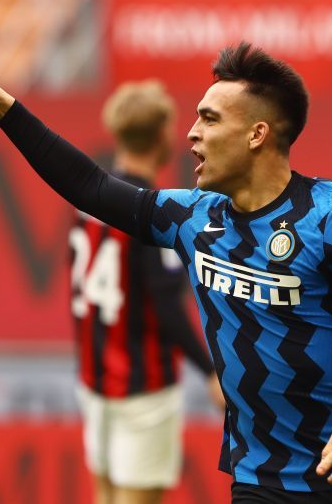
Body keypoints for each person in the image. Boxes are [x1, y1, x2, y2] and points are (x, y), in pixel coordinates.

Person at [0, 39, 332, 503]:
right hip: (262, 478)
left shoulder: (329, 214)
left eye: (210, 119)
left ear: (257, 134)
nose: (192, 133)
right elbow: (90, 186)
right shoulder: (193, 217)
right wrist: (7, 112)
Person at [71, 79, 223, 504]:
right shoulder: (153, 210)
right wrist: (209, 371)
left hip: (94, 375)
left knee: (105, 493)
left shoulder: (86, 203)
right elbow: (165, 302)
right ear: (163, 135)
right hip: (144, 384)